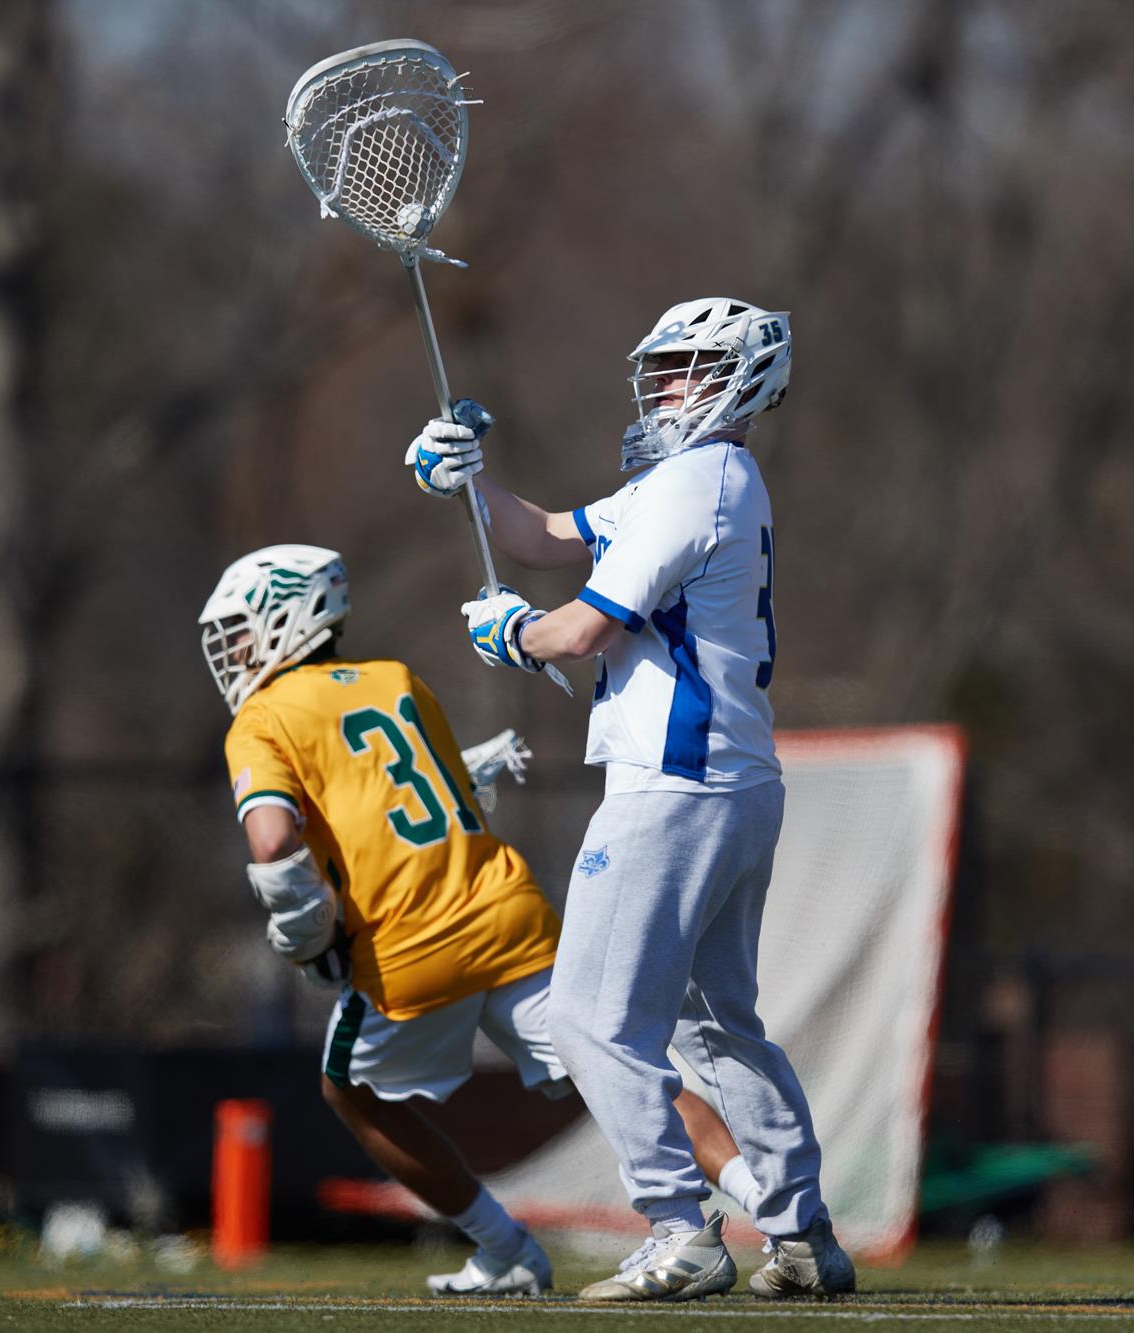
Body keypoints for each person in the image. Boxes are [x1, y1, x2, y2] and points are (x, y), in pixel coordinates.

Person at [403, 297, 856, 1302]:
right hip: (729, 782)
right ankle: (798, 1230)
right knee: (716, 1023)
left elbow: (576, 630)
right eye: (661, 367)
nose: (664, 385)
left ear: (741, 378)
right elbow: (546, 534)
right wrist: (471, 486)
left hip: (673, 783)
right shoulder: (687, 478)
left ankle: (675, 1227)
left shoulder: (701, 480)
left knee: (586, 1016)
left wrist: (511, 634)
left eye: (687, 368)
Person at [198, 542, 769, 1298]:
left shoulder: (262, 717)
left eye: (242, 631)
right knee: (625, 1068)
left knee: (351, 1092)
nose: (234, 652)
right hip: (506, 911)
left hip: (409, 946)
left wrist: (302, 918)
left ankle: (506, 1248)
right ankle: (782, 1214)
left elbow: (273, 840)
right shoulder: (394, 677)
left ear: (288, 619)